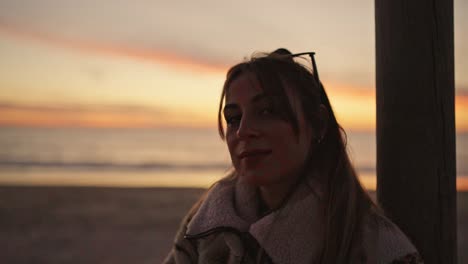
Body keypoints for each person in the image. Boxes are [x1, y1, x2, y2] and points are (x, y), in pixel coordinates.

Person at [163, 48, 422, 263]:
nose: (243, 131)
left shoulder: (374, 245)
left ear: (318, 125)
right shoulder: (206, 223)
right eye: (233, 118)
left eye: (267, 111)